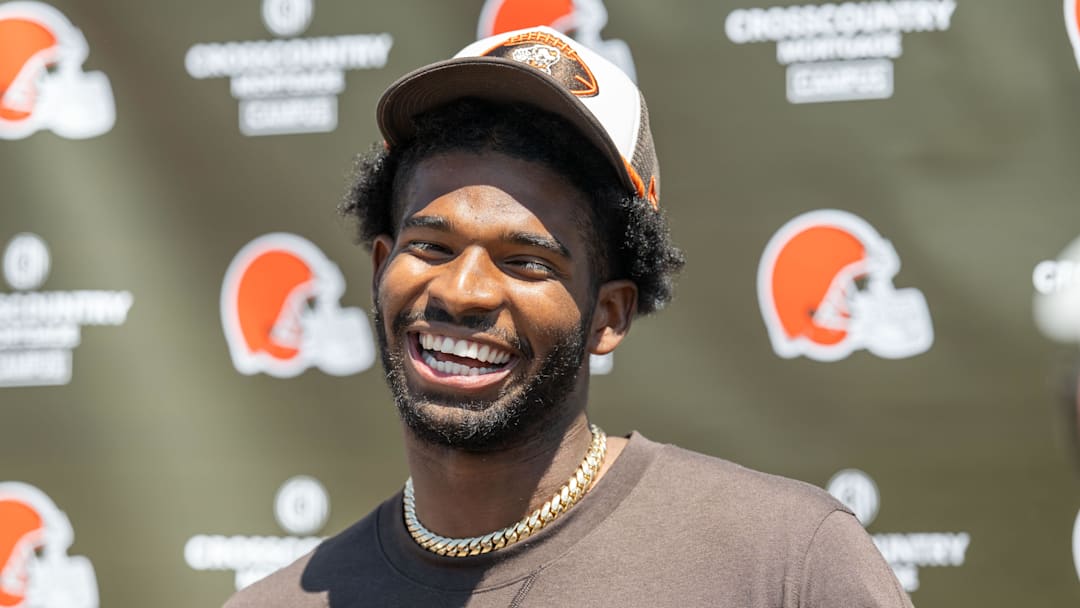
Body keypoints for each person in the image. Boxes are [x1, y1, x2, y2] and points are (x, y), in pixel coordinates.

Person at [225, 26, 913, 608]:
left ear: (609, 314)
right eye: (431, 246)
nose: (462, 291)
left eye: (526, 262)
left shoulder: (786, 565)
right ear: (380, 268)